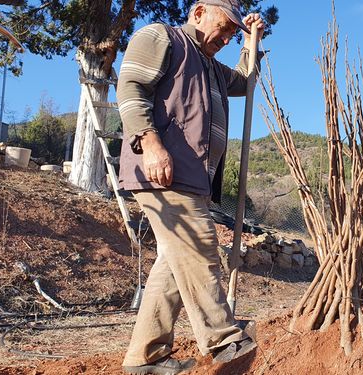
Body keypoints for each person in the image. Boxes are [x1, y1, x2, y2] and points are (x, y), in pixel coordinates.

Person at [116, 0, 265, 374]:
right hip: (164, 169)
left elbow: (246, 82)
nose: (227, 38)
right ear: (199, 12)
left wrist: (251, 40)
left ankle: (144, 358)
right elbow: (130, 86)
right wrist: (149, 144)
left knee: (172, 266)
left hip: (194, 177)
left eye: (233, 33)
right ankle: (223, 338)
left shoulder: (213, 68)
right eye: (225, 27)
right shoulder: (161, 37)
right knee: (200, 245)